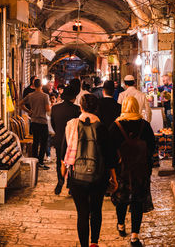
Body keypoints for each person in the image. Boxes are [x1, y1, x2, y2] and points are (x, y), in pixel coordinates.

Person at [61, 94, 118, 247]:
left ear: (81, 107)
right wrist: (114, 178)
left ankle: (84, 245)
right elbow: (110, 156)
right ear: (96, 108)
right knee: (96, 210)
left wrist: (63, 171)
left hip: (76, 177)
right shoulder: (102, 127)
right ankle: (94, 242)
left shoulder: (71, 125)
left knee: (82, 213)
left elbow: (63, 151)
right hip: (98, 177)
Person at [109, 96, 155, 247]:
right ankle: (134, 236)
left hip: (121, 171)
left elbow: (109, 150)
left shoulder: (115, 126)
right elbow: (152, 148)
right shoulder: (145, 126)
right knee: (137, 201)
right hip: (141, 171)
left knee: (121, 198)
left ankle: (121, 225)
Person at [51, 85, 80, 195]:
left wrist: (59, 133)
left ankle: (60, 179)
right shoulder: (76, 109)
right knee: (72, 163)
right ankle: (70, 184)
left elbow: (53, 124)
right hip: (72, 140)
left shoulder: (55, 108)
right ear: (72, 98)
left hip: (59, 139)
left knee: (60, 161)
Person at [20, 78, 50, 170]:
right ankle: (40, 162)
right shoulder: (45, 96)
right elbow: (47, 109)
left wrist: (28, 111)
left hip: (33, 122)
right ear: (41, 85)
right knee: (43, 142)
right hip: (42, 122)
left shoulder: (30, 95)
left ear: (34, 85)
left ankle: (35, 161)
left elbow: (20, 104)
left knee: (35, 142)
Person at [45, 93, 56, 162]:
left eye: (53, 99)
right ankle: (48, 155)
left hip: (55, 127)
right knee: (48, 142)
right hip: (49, 127)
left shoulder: (57, 107)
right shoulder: (48, 107)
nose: (52, 100)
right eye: (51, 99)